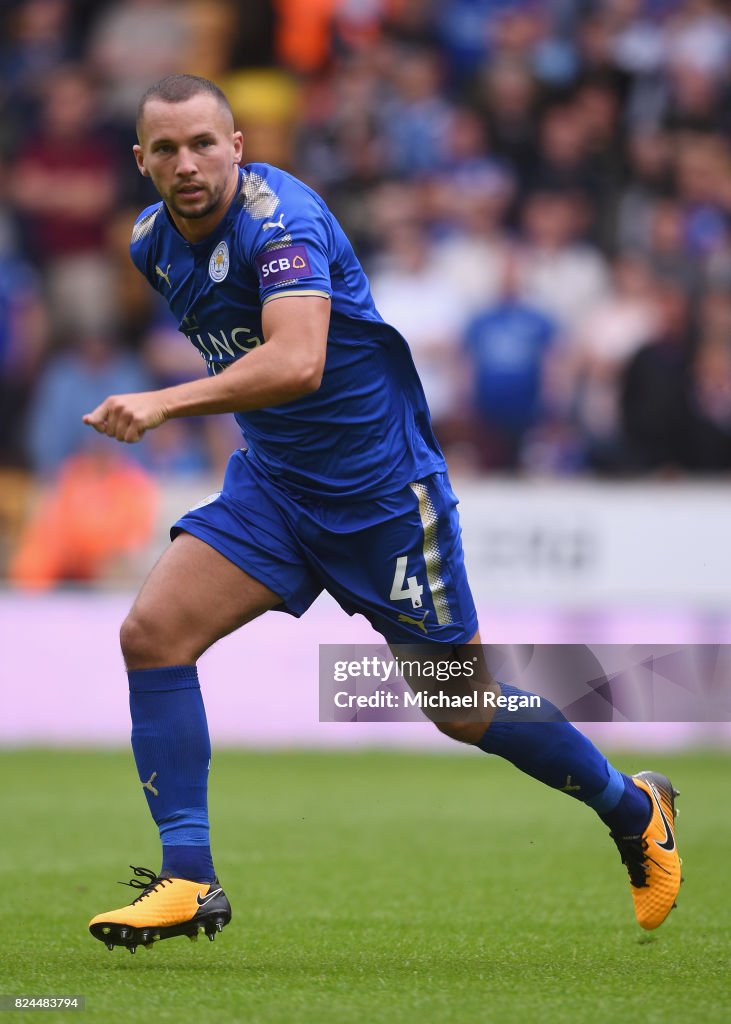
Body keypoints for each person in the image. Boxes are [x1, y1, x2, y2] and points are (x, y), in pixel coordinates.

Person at [84, 75, 682, 954]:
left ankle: (634, 810)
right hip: (276, 490)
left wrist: (167, 403)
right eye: (165, 149)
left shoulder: (280, 219)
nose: (187, 163)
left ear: (237, 144)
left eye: (204, 142)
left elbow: (297, 363)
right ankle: (188, 879)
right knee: (152, 635)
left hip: (382, 500)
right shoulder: (149, 243)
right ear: (140, 162)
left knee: (459, 705)